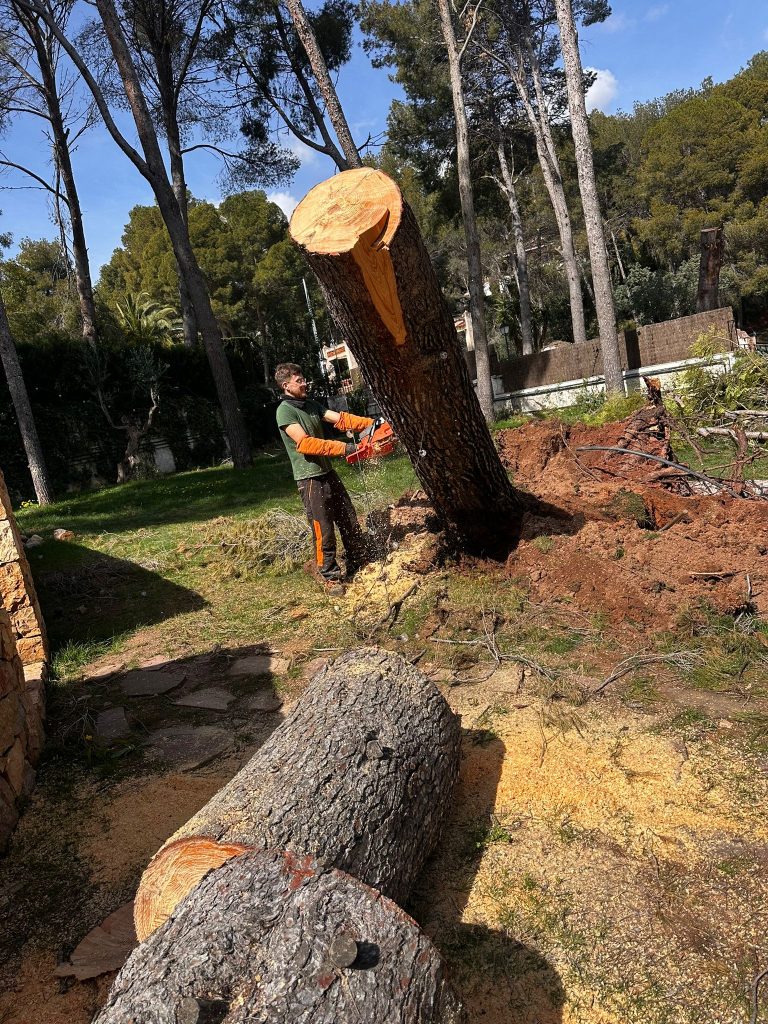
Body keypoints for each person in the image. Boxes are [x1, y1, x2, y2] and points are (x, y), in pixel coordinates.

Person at [275, 362, 378, 584]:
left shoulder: (310, 404)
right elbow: (305, 444)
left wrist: (372, 424)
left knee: (348, 518)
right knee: (323, 528)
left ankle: (358, 561)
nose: (305, 383)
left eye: (303, 379)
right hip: (309, 478)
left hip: (327, 471)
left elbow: (339, 419)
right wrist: (345, 448)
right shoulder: (284, 412)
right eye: (299, 381)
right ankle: (330, 575)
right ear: (286, 385)